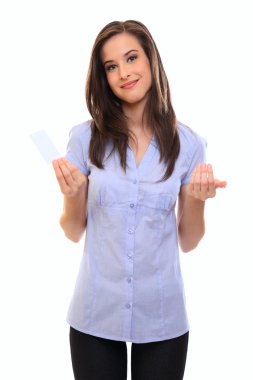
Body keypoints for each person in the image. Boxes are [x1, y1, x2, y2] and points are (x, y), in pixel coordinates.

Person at [52, 20, 226, 380]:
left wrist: (196, 200)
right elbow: (72, 231)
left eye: (131, 58)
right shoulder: (84, 138)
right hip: (95, 313)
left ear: (151, 60)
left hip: (162, 317)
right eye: (111, 66)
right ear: (103, 77)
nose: (124, 73)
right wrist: (73, 195)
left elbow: (189, 241)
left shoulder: (190, 145)